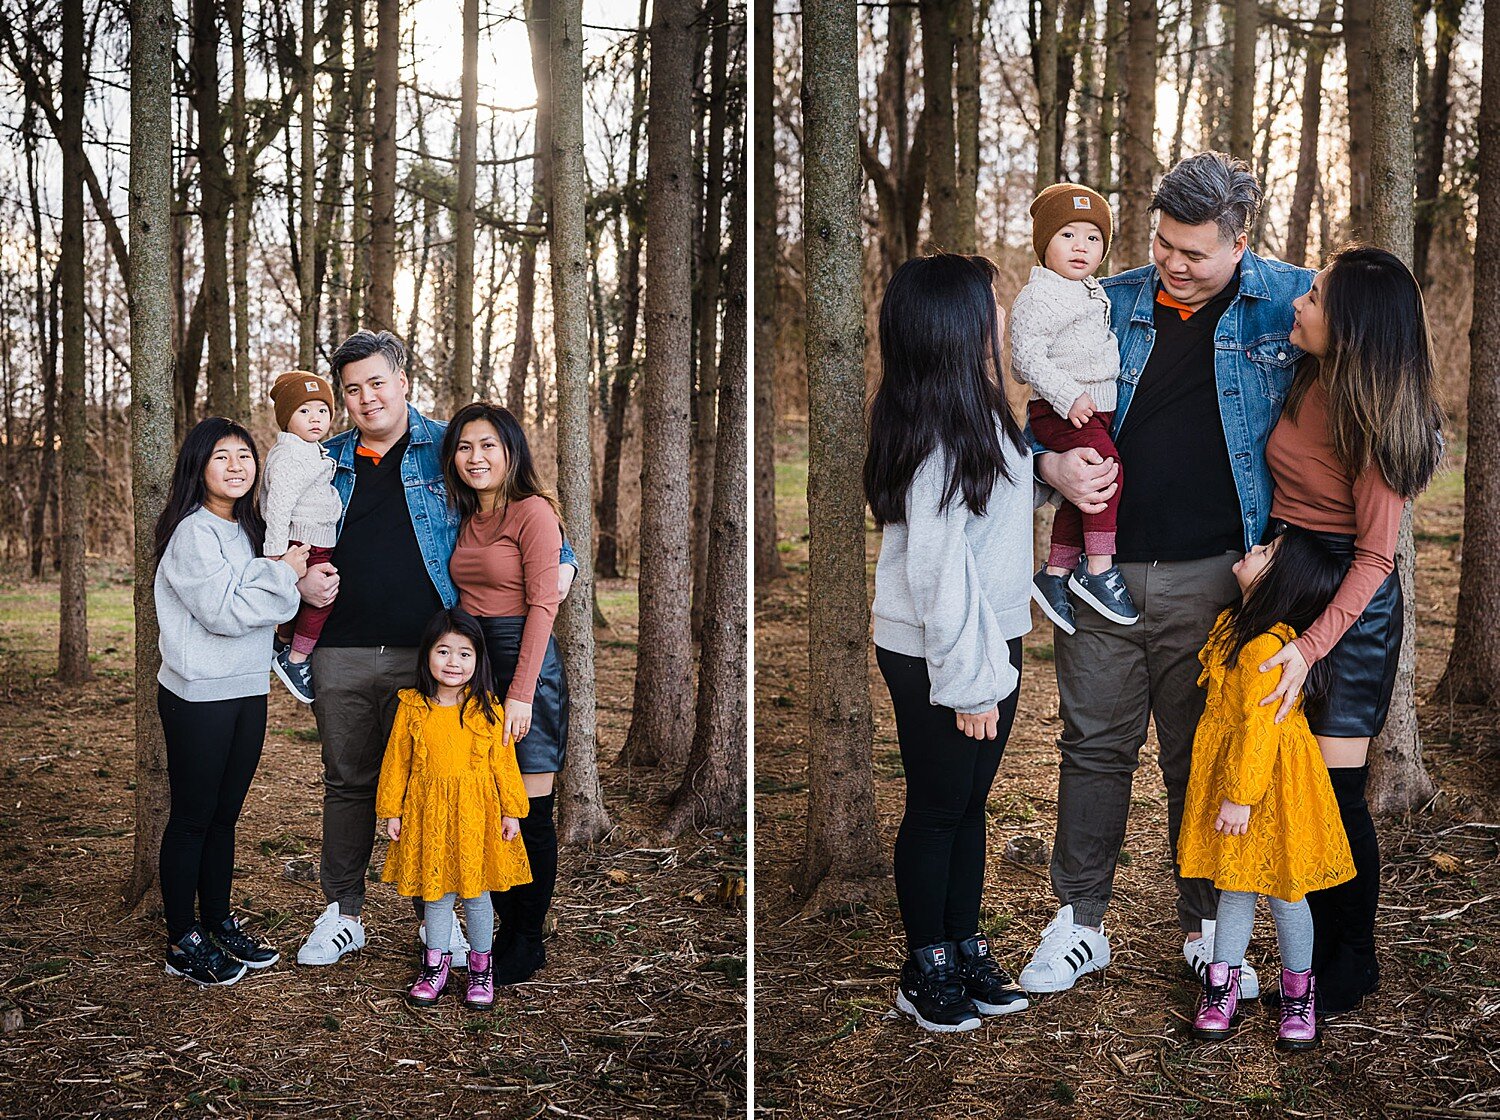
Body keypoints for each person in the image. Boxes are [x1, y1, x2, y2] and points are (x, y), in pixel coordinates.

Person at [1020, 153, 1314, 1000]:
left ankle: (1207, 931)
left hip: (1216, 582)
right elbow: (1035, 417)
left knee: (1204, 757)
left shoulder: (1288, 301)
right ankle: (1080, 924)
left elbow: (1356, 401)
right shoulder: (1103, 299)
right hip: (1100, 578)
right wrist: (1053, 471)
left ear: (1240, 242)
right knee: (1095, 748)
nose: (1172, 264)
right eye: (1162, 244)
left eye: (1194, 252)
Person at [294, 330, 576, 968]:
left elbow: (512, 507)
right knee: (348, 783)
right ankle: (343, 914)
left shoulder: (446, 446)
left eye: (377, 382)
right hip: (342, 649)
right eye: (352, 388)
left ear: (402, 381)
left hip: (436, 663)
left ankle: (444, 915)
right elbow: (284, 527)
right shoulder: (323, 458)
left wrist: (567, 565)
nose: (367, 398)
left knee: (442, 781)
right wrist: (295, 581)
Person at [1249, 246, 1444, 1015]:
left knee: (1335, 793)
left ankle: (1349, 962)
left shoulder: (1377, 420)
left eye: (1318, 297)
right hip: (1288, 577)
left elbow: (1374, 559)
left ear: (1354, 329)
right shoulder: (1307, 372)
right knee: (1285, 776)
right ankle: (1312, 957)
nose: (1300, 300)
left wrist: (1309, 648)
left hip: (1349, 613)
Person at [865, 253, 1034, 1033]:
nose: (1000, 316)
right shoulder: (934, 431)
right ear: (957, 328)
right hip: (940, 649)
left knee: (972, 806)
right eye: (989, 305)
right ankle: (923, 964)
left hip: (994, 640)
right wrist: (968, 685)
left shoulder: (984, 413)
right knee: (937, 809)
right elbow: (937, 570)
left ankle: (964, 945)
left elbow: (995, 518)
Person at [1176, 528, 1355, 1049]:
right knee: (1235, 886)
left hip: (1265, 787)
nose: (1252, 549)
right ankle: (1221, 984)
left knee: (1285, 890)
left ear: (1282, 582)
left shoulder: (1263, 645)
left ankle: (1299, 992)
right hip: (1244, 779)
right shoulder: (1237, 626)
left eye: (1267, 552)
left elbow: (1259, 729)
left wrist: (1240, 795)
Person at [154, 417, 307, 986]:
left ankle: (217, 921)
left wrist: (276, 582)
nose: (238, 466)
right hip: (198, 696)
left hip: (248, 688)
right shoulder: (192, 534)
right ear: (200, 467)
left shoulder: (252, 531)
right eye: (223, 457)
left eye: (245, 455)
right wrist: (282, 576)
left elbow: (275, 609)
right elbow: (222, 613)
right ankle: (181, 938)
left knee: (225, 817)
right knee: (193, 816)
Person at [441, 401, 568, 985]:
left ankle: (527, 937)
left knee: (529, 812)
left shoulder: (533, 512)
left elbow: (544, 606)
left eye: (488, 445)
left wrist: (520, 694)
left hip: (527, 670)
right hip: (477, 673)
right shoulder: (465, 519)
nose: (476, 457)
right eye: (465, 447)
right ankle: (495, 929)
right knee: (489, 807)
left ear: (511, 451)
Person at [376, 609, 532, 1009]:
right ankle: (436, 965)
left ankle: (481, 968)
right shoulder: (413, 707)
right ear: (427, 655)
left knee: (477, 894)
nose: (453, 662)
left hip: (476, 816)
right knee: (437, 893)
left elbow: (504, 764)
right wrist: (392, 810)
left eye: (464, 654)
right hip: (427, 813)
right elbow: (398, 761)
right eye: (443, 651)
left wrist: (511, 811)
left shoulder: (488, 710)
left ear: (478, 660)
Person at [1012, 182, 1138, 632]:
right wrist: (1067, 394)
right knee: (1107, 473)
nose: (1081, 246)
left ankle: (1055, 573)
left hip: (1092, 410)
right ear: (1044, 242)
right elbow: (1024, 358)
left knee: (1080, 488)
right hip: (1063, 410)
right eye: (1067, 235)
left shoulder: (1089, 290)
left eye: (1092, 237)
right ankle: (1100, 570)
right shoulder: (1040, 295)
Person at [262, 370, 344, 705]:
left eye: (322, 411)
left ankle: (282, 642)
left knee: (306, 599)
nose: (315, 419)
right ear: (286, 418)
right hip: (303, 543)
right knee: (322, 598)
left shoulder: (310, 450)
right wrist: (276, 554)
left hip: (313, 538)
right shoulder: (290, 456)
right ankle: (295, 660)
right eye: (304, 411)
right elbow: (278, 505)